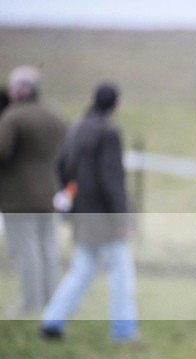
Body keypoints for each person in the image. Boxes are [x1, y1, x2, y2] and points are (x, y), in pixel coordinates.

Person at [40, 82, 138, 342]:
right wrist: (123, 218)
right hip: (105, 217)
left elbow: (60, 166)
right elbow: (112, 181)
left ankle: (53, 320)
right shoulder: (108, 132)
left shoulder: (76, 127)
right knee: (121, 275)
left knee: (81, 270)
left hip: (82, 212)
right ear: (116, 105)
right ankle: (124, 331)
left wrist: (70, 198)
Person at [0, 65, 67, 317]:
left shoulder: (13, 117)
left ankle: (31, 303)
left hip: (18, 197)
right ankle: (52, 300)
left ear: (19, 90)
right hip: (49, 191)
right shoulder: (54, 116)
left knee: (26, 251)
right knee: (48, 249)